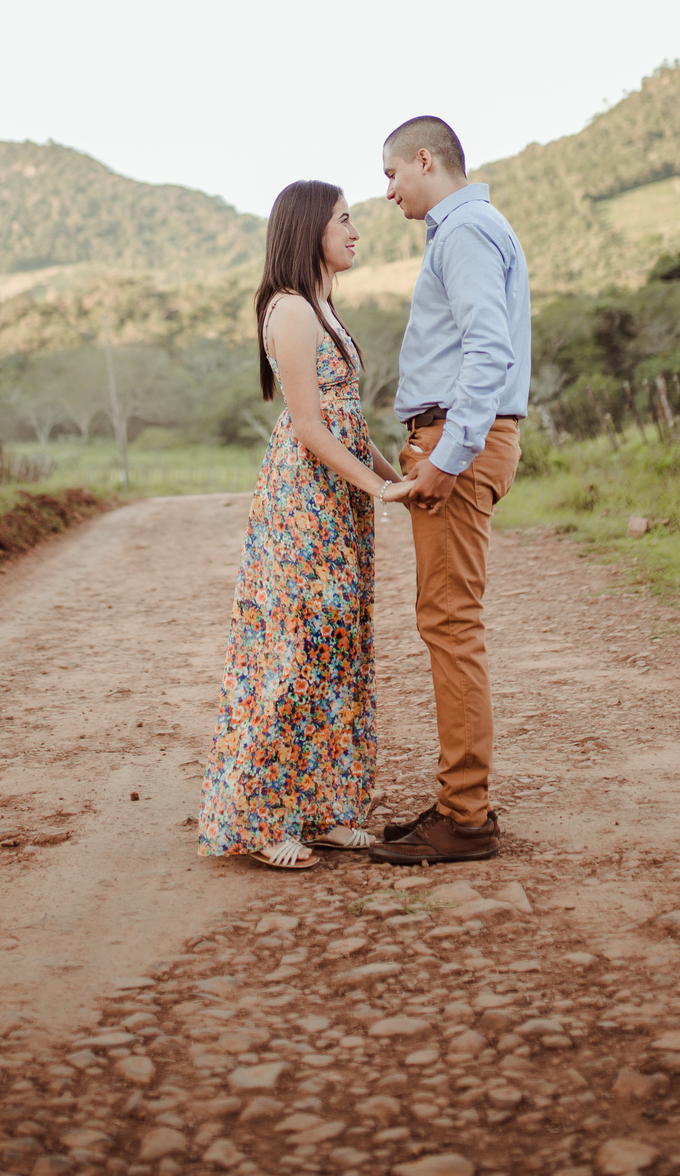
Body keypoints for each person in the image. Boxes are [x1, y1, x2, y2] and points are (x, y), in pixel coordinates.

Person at [198, 180, 415, 871]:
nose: (356, 231)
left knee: (334, 652)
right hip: (305, 502)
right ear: (309, 231)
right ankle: (260, 819)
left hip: (338, 498)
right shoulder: (290, 311)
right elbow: (310, 428)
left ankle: (321, 810)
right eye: (345, 220)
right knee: (298, 650)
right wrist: (378, 485)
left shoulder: (323, 304)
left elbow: (349, 420)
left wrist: (393, 477)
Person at [368, 116, 531, 866]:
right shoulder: (469, 229)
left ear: (424, 160)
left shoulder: (463, 232)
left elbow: (488, 347)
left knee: (450, 625)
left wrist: (448, 455)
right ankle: (455, 802)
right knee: (447, 621)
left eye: (392, 174)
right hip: (456, 439)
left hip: (458, 443)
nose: (388, 191)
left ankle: (465, 817)